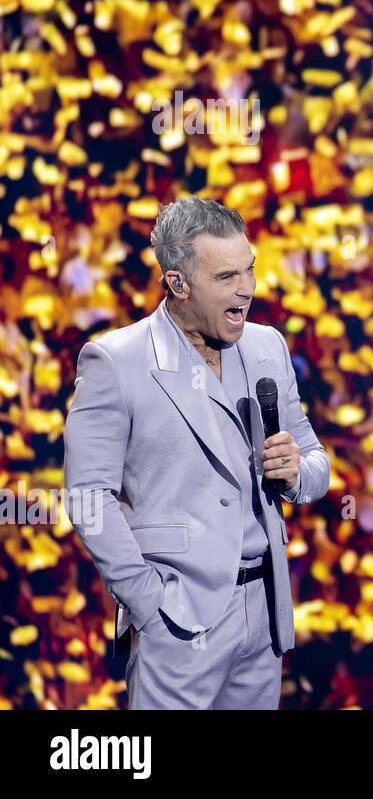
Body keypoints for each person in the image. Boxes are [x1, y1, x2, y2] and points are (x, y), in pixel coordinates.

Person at [64, 197, 331, 708]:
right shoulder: (116, 361)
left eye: (249, 270)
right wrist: (148, 603)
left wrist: (297, 472)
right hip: (179, 623)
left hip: (265, 618)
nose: (247, 289)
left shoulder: (266, 346)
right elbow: (87, 497)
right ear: (178, 284)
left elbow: (316, 463)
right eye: (227, 276)